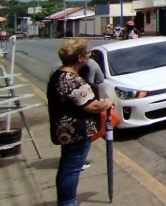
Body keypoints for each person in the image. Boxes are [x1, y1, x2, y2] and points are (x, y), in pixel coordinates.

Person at [47, 38, 115, 206]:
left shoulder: (60, 74)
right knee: (71, 169)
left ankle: (66, 201)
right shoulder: (70, 79)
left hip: (67, 130)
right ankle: (68, 202)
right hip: (75, 131)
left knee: (67, 168)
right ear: (79, 57)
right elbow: (92, 106)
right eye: (87, 53)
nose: (89, 56)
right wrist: (107, 102)